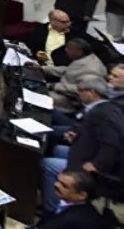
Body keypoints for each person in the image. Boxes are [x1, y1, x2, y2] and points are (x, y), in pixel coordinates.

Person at [40, 75, 124, 214]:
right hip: (85, 153)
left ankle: (52, 211)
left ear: (91, 93)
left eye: (80, 91)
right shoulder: (105, 108)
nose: (78, 94)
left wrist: (97, 165)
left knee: (47, 165)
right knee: (58, 149)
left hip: (95, 170)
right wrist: (77, 135)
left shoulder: (102, 114)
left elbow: (113, 144)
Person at [12, 170, 111, 229]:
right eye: (58, 180)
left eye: (64, 186)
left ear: (81, 195)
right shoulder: (68, 204)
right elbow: (48, 225)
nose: (56, 185)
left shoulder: (75, 226)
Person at [43, 38, 105, 114]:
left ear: (79, 51)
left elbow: (81, 90)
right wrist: (43, 68)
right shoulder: (85, 58)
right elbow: (68, 70)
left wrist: (54, 86)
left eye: (69, 48)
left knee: (42, 95)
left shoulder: (91, 70)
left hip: (71, 101)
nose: (66, 50)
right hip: (62, 90)